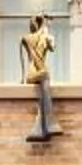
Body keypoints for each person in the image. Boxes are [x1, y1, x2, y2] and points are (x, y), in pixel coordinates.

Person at [20, 13, 60, 142]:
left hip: (40, 73)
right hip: (34, 73)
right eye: (46, 22)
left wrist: (48, 36)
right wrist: (45, 29)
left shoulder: (45, 38)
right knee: (45, 75)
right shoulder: (28, 38)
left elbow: (53, 47)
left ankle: (39, 128)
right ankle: (50, 123)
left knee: (44, 83)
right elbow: (33, 57)